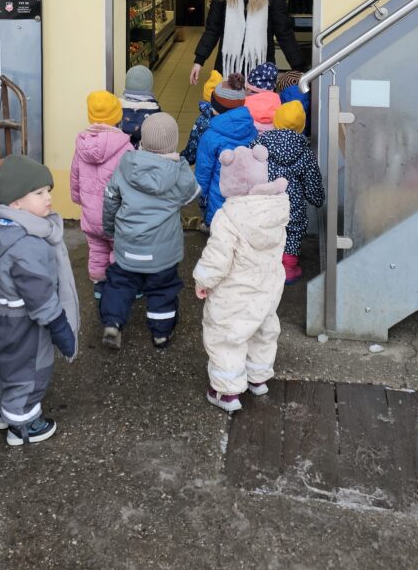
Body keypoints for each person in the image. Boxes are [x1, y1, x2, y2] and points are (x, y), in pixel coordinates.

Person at [0, 155, 79, 446]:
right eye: (39, 193)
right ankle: (22, 424)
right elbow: (40, 295)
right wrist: (60, 326)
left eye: (49, 191)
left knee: (6, 366)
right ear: (16, 202)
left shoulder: (1, 229)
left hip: (1, 317)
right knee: (30, 373)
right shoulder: (27, 245)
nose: (48, 198)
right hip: (26, 326)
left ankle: (3, 410)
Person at [193, 144, 290, 413]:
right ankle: (258, 378)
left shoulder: (228, 216)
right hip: (268, 286)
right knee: (262, 329)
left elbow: (218, 256)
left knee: (226, 335)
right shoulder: (277, 211)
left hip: (234, 291)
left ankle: (226, 392)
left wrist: (204, 281)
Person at [100, 113, 200, 351]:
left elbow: (110, 200)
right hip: (163, 254)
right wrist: (181, 164)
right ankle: (160, 334)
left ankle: (113, 322)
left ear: (142, 139)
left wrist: (109, 228)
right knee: (163, 291)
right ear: (173, 143)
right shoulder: (178, 172)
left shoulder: (126, 165)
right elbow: (192, 194)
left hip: (128, 247)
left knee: (120, 283)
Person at [69, 91, 133, 297]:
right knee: (119, 249)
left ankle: (98, 285)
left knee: (97, 251)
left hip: (90, 214)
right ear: (117, 116)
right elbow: (131, 182)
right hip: (116, 216)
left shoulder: (82, 144)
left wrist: (79, 199)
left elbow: (75, 175)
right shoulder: (126, 147)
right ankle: (120, 284)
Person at [257, 101, 325, 284]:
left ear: (276, 121)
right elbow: (312, 179)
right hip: (291, 204)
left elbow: (247, 170)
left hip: (263, 200)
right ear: (302, 127)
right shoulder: (305, 152)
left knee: (263, 227)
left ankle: (263, 264)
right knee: (293, 229)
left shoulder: (258, 144)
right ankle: (287, 267)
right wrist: (317, 198)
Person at [194, 75, 257, 227]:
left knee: (219, 235)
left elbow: (203, 172)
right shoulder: (251, 129)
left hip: (219, 199)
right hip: (246, 199)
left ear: (216, 107)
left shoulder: (211, 136)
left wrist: (199, 196)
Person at [181, 69, 222, 166]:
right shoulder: (235, 117)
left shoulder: (203, 120)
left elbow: (193, 143)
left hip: (205, 167)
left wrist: (186, 158)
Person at [119, 64, 162, 146]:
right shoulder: (156, 113)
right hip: (146, 157)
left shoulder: (116, 112)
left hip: (122, 157)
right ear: (150, 86)